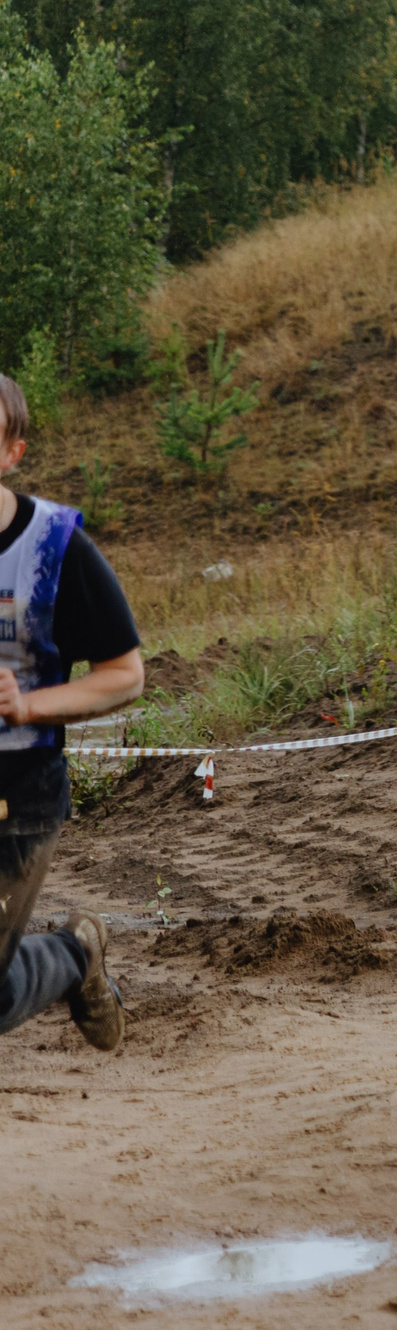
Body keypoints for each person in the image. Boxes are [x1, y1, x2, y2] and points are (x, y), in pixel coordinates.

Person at [0, 373, 143, 1052]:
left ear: (11, 452)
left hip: (16, 798)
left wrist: (29, 703)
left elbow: (124, 673)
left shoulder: (56, 547)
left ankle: (73, 954)